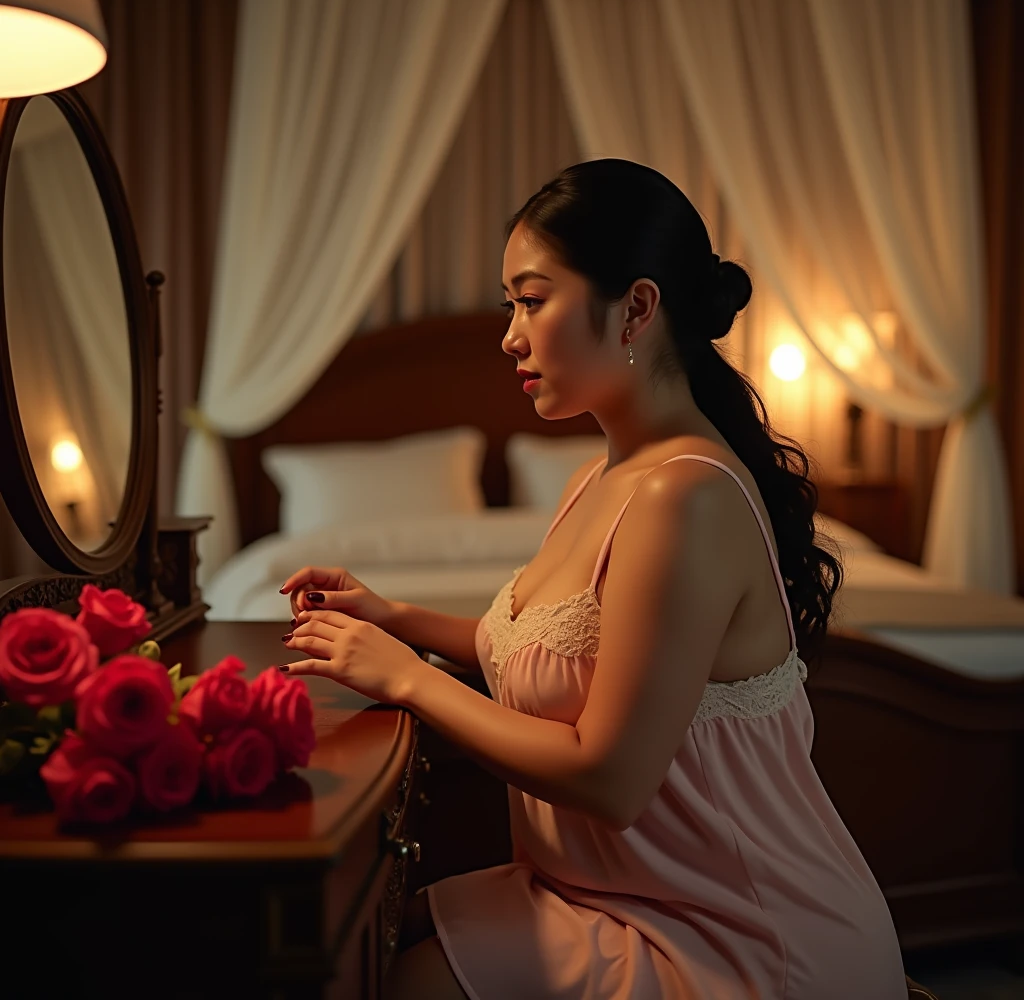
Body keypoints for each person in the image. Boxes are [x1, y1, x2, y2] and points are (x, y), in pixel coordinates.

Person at [278, 159, 908, 999]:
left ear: (636, 308)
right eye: (511, 305)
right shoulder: (597, 480)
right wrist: (394, 617)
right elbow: (553, 661)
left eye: (531, 301)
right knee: (353, 938)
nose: (509, 336)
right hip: (622, 894)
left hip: (741, 937)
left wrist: (405, 682)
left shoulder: (685, 497)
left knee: (397, 976)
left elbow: (610, 776)